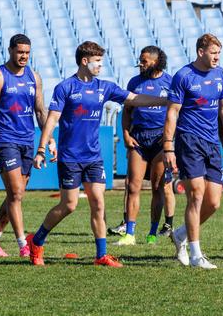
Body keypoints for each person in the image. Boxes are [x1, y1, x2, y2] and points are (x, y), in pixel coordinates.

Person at [26, 41, 168, 267]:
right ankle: (37, 239)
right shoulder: (66, 88)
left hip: (93, 157)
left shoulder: (105, 87)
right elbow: (52, 119)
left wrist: (166, 100)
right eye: (97, 61)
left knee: (98, 204)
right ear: (85, 61)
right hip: (70, 157)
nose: (101, 65)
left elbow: (134, 99)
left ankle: (101, 255)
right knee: (69, 205)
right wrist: (41, 149)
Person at [165, 34, 223, 269]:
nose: (217, 58)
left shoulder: (219, 74)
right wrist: (168, 146)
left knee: (214, 201)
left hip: (212, 143)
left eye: (219, 53)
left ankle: (180, 234)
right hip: (189, 141)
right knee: (196, 195)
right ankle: (196, 254)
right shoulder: (184, 76)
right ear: (201, 52)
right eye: (213, 53)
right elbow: (172, 112)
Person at [0, 34, 53, 257]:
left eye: (27, 52)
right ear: (10, 50)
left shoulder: (35, 77)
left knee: (17, 194)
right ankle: (24, 245)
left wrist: (49, 139)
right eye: (20, 52)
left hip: (27, 140)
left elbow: (41, 111)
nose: (24, 56)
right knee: (15, 193)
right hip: (5, 140)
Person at [115, 46, 175, 246]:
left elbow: (177, 113)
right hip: (138, 138)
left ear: (157, 62)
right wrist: (125, 134)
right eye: (140, 61)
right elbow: (126, 111)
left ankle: (151, 233)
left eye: (144, 61)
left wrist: (169, 139)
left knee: (158, 187)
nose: (141, 64)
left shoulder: (170, 82)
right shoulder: (134, 82)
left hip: (159, 139)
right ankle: (129, 234)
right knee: (133, 186)